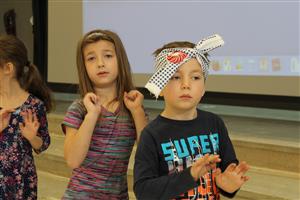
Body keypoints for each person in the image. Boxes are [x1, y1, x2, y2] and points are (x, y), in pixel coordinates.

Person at [134, 34, 250, 199]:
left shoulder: (214, 123)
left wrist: (228, 184)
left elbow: (227, 170)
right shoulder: (152, 134)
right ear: (160, 85)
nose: (186, 85)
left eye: (195, 77)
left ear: (203, 88)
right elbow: (143, 191)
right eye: (175, 77)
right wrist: (191, 174)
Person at [61, 29, 148, 199]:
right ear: (84, 67)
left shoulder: (133, 107)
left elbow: (148, 153)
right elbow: (72, 160)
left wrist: (137, 112)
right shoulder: (79, 109)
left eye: (108, 56)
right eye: (91, 58)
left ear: (120, 60)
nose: (100, 63)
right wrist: (92, 115)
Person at [0, 35, 52, 199]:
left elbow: (43, 144)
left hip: (21, 182)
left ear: (8, 68)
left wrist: (32, 138)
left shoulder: (34, 105)